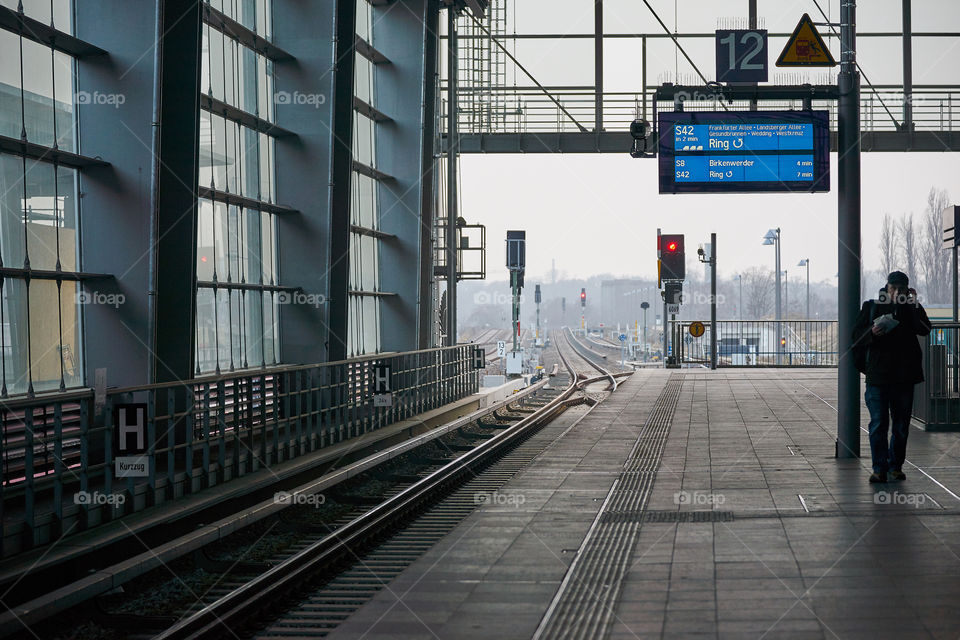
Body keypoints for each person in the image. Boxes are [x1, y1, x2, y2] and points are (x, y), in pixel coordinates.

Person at [853, 271, 931, 483]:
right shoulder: (871, 307)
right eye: (892, 288)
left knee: (900, 425)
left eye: (901, 289)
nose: (896, 292)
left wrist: (914, 305)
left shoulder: (912, 308)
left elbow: (925, 329)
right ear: (886, 288)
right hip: (878, 376)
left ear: (908, 290)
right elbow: (856, 336)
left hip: (904, 377)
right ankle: (879, 467)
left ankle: (895, 466)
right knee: (879, 423)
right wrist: (871, 333)